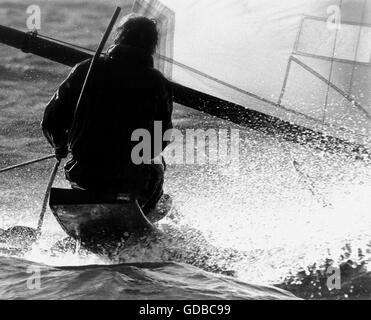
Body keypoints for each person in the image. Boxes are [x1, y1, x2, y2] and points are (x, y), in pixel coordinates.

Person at [42, 15, 173, 216]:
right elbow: (160, 138)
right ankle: (146, 210)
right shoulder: (158, 83)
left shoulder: (85, 68)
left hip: (84, 176)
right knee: (157, 162)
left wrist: (59, 145)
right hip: (130, 181)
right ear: (152, 44)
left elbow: (52, 118)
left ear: (120, 37)